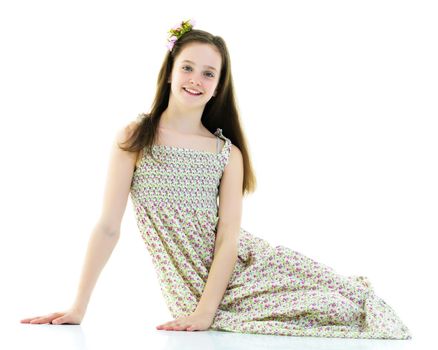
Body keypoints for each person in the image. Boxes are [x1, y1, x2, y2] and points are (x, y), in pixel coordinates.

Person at [20, 19, 412, 340]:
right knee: (335, 310)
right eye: (188, 67)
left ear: (218, 84)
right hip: (188, 285)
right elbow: (108, 227)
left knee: (347, 298)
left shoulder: (227, 153)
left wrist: (208, 310)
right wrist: (78, 306)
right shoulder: (136, 137)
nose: (196, 79)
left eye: (209, 73)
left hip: (239, 267)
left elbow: (228, 236)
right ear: (170, 72)